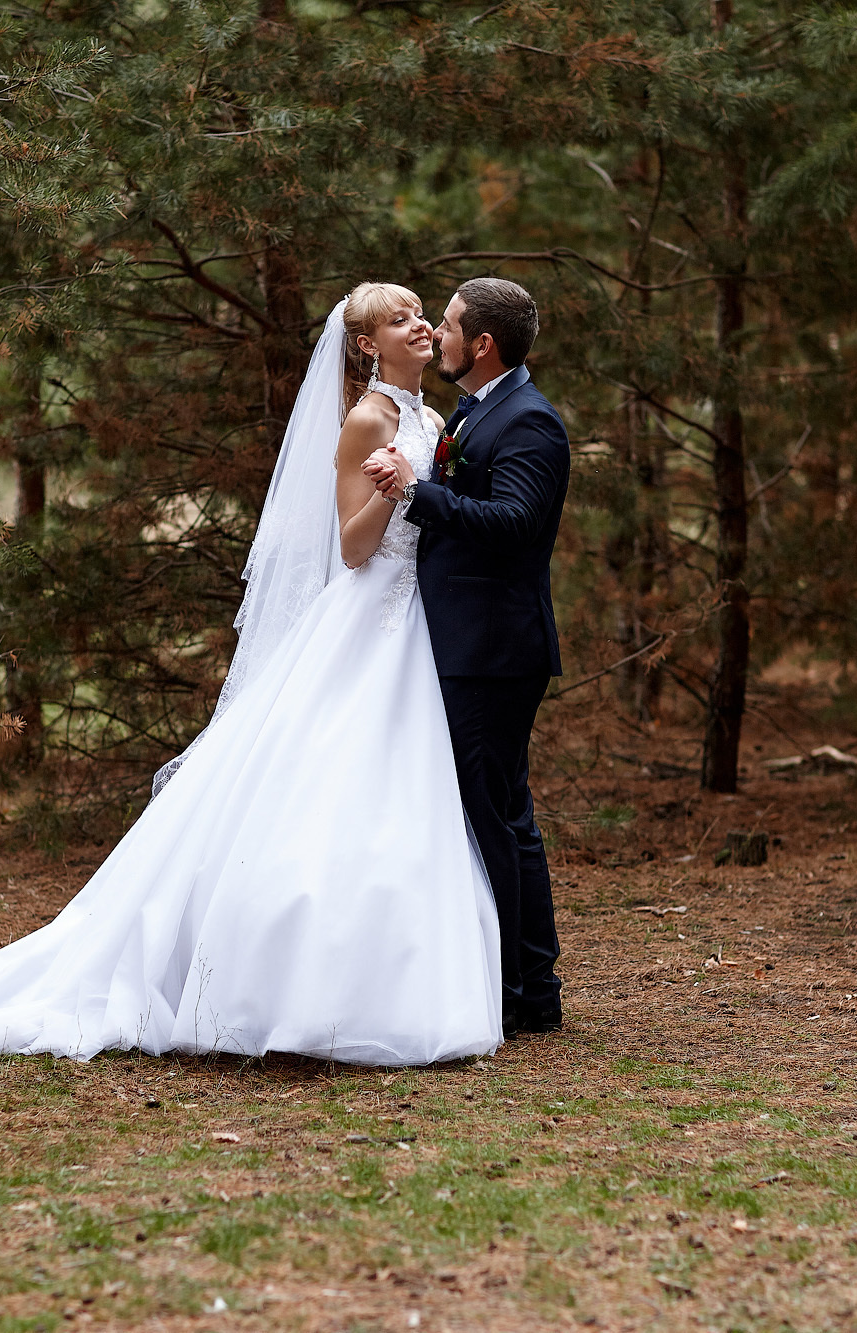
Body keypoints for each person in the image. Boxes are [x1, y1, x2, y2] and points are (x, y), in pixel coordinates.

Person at [0, 283, 502, 1066]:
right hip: (368, 616)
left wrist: (422, 486)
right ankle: (282, 985)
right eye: (400, 320)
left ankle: (397, 980)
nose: (422, 325)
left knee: (401, 795)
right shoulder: (369, 420)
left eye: (422, 313)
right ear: (367, 346)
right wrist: (398, 488)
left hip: (414, 624)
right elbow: (355, 547)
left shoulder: (431, 418)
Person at [364, 277, 570, 1034]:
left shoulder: (530, 423)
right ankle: (521, 983)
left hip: (492, 649)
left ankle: (526, 992)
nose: (435, 334)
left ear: (481, 344)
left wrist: (419, 494)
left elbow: (515, 521)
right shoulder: (478, 410)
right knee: (498, 811)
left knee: (497, 818)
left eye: (445, 325)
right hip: (465, 641)